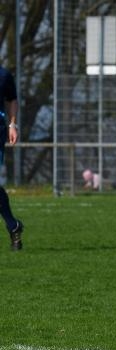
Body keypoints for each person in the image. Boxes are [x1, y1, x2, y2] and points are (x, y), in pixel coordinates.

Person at [0, 64, 24, 251]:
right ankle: (13, 226)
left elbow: (12, 99)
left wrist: (12, 125)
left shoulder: (4, 75)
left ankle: (13, 226)